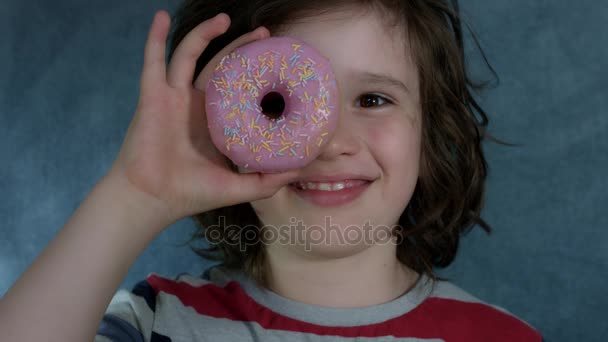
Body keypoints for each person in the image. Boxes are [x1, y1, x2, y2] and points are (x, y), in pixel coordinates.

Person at [0, 0, 544, 340]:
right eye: (279, 105)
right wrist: (135, 194)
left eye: (373, 99)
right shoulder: (155, 322)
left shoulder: (498, 337)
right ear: (220, 133)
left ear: (429, 131)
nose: (330, 142)